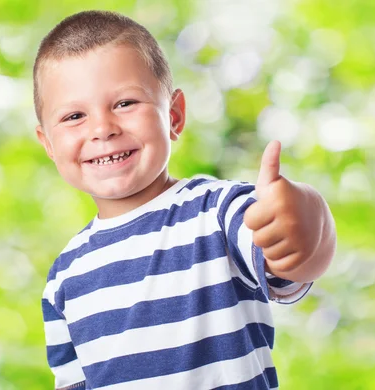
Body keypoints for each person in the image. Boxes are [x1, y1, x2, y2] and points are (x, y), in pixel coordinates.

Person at [34, 10, 336, 390]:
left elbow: (293, 260)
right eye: (75, 116)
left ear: (174, 115)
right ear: (47, 142)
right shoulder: (65, 276)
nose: (102, 129)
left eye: (125, 103)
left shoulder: (219, 213)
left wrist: (303, 216)